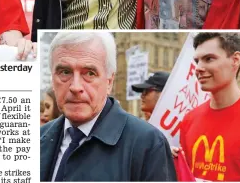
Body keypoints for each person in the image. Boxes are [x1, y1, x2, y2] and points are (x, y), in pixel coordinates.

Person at [40, 32, 176, 181]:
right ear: (53, 80)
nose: (75, 86)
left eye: (90, 73)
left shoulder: (148, 144)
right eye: (65, 72)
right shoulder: (38, 138)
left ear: (109, 82)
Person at [173, 33, 240, 181]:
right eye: (197, 61)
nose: (198, 68)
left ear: (235, 60)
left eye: (209, 59)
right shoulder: (189, 119)